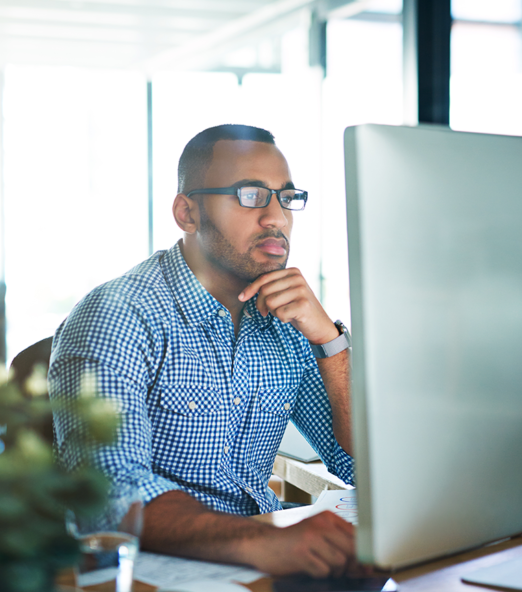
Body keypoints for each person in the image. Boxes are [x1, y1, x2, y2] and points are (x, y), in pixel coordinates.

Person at [49, 124, 357, 577]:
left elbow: (361, 465)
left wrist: (332, 342)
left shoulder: (289, 319)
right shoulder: (118, 315)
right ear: (187, 213)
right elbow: (110, 495)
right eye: (251, 195)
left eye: (286, 198)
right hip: (148, 572)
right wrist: (264, 541)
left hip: (259, 563)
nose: (276, 217)